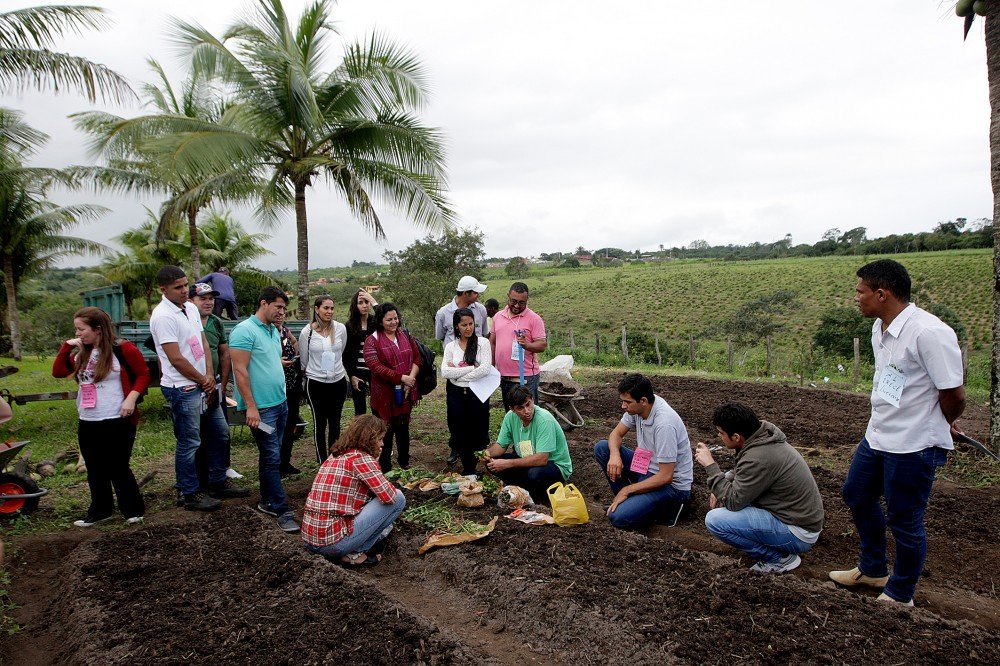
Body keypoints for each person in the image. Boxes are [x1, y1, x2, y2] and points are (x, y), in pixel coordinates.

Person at [829, 259, 965, 607]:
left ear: (882, 293)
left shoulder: (929, 333)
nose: (855, 297)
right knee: (856, 494)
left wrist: (944, 422)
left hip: (914, 443)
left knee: (905, 519)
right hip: (878, 434)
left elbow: (953, 392)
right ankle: (873, 569)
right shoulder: (881, 327)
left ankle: (901, 593)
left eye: (860, 292)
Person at [694, 402, 825, 573]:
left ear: (736, 437)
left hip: (798, 532)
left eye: (721, 433)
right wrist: (724, 480)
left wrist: (711, 466)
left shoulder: (759, 457)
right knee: (727, 497)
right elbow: (744, 471)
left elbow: (733, 501)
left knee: (716, 521)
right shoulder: (761, 437)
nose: (719, 436)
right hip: (797, 518)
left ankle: (780, 559)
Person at [53, 307, 150, 527]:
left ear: (98, 329)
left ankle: (133, 510)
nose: (78, 333)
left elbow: (143, 374)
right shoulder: (81, 353)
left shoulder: (123, 349)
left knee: (118, 466)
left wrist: (131, 399)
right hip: (88, 418)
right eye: (76, 329)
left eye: (81, 329)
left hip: (117, 417)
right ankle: (100, 511)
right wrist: (65, 348)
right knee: (95, 468)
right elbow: (58, 371)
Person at [229, 286, 300, 533]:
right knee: (271, 456)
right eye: (278, 307)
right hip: (262, 409)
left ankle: (266, 500)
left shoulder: (272, 330)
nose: (282, 312)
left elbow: (264, 358)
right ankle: (281, 509)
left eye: (283, 308)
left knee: (273, 455)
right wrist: (250, 407)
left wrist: (275, 362)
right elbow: (240, 370)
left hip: (280, 404)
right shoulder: (244, 331)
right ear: (263, 303)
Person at [149, 266, 221, 512]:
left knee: (220, 433)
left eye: (185, 285)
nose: (183, 290)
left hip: (203, 383)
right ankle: (189, 492)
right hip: (183, 388)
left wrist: (209, 374)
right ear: (164, 289)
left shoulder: (190, 307)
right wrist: (203, 379)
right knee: (189, 441)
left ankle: (216, 481)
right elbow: (175, 359)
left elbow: (202, 342)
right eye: (177, 287)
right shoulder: (162, 317)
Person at [301, 414, 406, 567]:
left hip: (310, 539)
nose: (382, 444)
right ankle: (354, 554)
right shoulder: (361, 458)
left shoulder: (335, 455)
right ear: (369, 439)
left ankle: (350, 549)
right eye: (379, 439)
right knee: (399, 497)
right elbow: (389, 497)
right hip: (332, 544)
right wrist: (375, 463)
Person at [593, 373, 693, 530]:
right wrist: (615, 455)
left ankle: (665, 511)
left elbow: (666, 476)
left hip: (671, 487)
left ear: (644, 401)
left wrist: (627, 489)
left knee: (618, 518)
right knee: (603, 448)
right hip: (647, 468)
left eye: (627, 402)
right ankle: (631, 503)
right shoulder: (640, 408)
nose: (623, 406)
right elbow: (615, 434)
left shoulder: (664, 424)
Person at [188, 283, 249, 500]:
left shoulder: (215, 322)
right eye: (202, 298)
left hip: (214, 386)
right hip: (191, 388)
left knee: (220, 434)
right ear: (190, 301)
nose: (208, 302)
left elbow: (224, 353)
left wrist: (223, 383)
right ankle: (195, 483)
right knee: (195, 437)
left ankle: (218, 479)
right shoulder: (184, 322)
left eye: (211, 298)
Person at [484, 385, 572, 503]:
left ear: (533, 400)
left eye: (528, 404)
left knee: (535, 473)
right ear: (512, 409)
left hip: (554, 465)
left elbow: (542, 459)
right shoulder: (510, 417)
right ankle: (525, 490)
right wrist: (486, 453)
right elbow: (501, 446)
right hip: (528, 460)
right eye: (520, 408)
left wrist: (508, 463)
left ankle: (542, 497)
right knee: (492, 461)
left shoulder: (544, 419)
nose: (527, 411)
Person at [363, 303, 423, 473]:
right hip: (384, 396)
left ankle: (404, 462)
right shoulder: (372, 340)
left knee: (403, 429)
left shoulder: (404, 335)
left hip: (406, 391)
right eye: (389, 319)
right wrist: (401, 378)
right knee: (385, 433)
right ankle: (384, 467)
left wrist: (410, 378)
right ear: (380, 321)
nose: (393, 322)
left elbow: (418, 359)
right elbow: (375, 367)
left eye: (395, 318)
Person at [441, 308, 494, 475]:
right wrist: (471, 368)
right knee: (459, 428)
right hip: (456, 394)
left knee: (478, 428)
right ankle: (468, 468)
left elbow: (485, 369)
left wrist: (458, 372)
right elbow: (445, 373)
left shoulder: (482, 344)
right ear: (457, 326)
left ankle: (480, 462)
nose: (468, 328)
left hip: (477, 393)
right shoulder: (451, 346)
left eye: (471, 324)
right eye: (464, 325)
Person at [299, 295, 348, 463]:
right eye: (326, 308)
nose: (329, 312)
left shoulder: (340, 328)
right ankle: (322, 462)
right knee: (320, 424)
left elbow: (341, 351)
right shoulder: (308, 332)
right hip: (316, 384)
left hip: (338, 382)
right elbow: (304, 360)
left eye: (332, 308)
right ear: (316, 309)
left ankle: (335, 459)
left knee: (335, 423)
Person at [490, 282, 547, 410]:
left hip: (526, 377)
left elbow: (542, 345)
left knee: (528, 414)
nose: (516, 305)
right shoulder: (498, 317)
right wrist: (492, 366)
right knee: (511, 412)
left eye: (521, 303)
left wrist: (527, 345)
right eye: (513, 301)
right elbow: (493, 342)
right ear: (508, 296)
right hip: (504, 377)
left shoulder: (534, 319)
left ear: (527, 300)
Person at [276, 309, 304, 477]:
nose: (280, 315)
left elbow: (295, 343)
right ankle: (277, 465)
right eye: (277, 311)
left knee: (290, 425)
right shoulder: (268, 333)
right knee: (278, 428)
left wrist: (295, 352)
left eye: (283, 312)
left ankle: (285, 462)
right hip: (277, 389)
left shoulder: (285, 330)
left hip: (291, 386)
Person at [344, 288, 378, 416]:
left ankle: (378, 434)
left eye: (366, 302)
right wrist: (351, 375)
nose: (364, 305)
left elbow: (386, 316)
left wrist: (373, 300)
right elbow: (345, 353)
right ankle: (361, 435)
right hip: (358, 372)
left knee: (378, 407)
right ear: (355, 305)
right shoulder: (349, 325)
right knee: (360, 409)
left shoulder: (376, 322)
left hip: (376, 370)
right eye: (360, 302)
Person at [434, 275, 489, 349]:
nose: (478, 295)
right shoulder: (443, 313)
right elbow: (440, 336)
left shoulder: (481, 310)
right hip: (453, 358)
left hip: (477, 356)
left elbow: (484, 333)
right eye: (475, 293)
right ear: (466, 293)